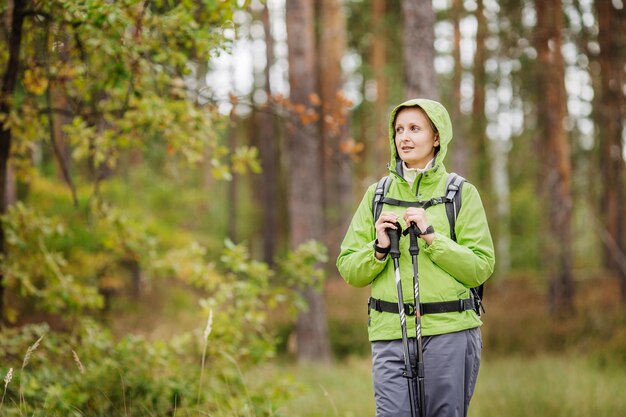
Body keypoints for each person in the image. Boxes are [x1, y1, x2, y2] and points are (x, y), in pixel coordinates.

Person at [336, 98, 495, 417]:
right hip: (389, 333)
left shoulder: (460, 194)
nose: (404, 137)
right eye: (398, 130)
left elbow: (480, 266)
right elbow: (350, 269)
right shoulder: (377, 195)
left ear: (437, 137)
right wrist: (378, 248)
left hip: (449, 331)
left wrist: (433, 238)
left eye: (414, 129)